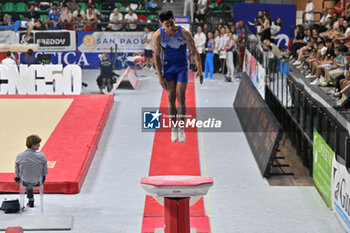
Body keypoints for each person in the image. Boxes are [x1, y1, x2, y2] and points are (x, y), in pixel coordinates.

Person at [153, 10, 203, 143]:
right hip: (168, 67)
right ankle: (173, 127)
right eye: (166, 25)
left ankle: (181, 127)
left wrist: (200, 68)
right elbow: (157, 57)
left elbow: (194, 51)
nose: (170, 27)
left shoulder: (184, 32)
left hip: (182, 66)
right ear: (162, 25)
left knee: (181, 96)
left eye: (171, 23)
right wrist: (160, 76)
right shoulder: (158, 35)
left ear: (174, 19)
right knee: (171, 96)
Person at [14, 135, 48, 208]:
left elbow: (17, 169)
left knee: (27, 178)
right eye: (38, 144)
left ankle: (30, 199)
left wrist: (17, 176)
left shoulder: (20, 156)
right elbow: (45, 171)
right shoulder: (41, 156)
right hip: (37, 181)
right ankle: (31, 199)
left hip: (25, 181)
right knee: (32, 177)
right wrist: (43, 176)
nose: (39, 145)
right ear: (33, 145)